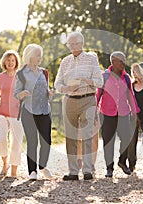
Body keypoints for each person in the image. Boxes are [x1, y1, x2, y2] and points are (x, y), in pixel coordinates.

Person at [54, 32, 103, 181]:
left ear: (81, 44)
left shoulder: (91, 59)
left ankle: (87, 170)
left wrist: (85, 80)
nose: (72, 46)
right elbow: (57, 83)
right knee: (71, 137)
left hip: (87, 99)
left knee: (87, 135)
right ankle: (73, 171)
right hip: (69, 100)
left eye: (75, 44)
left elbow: (100, 82)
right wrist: (65, 89)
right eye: (69, 44)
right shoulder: (65, 61)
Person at [96, 51, 140, 178]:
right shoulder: (104, 76)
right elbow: (98, 95)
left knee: (126, 138)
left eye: (124, 60)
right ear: (113, 62)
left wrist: (135, 113)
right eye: (120, 60)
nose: (123, 63)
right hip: (107, 113)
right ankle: (109, 168)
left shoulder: (126, 78)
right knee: (108, 141)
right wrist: (94, 112)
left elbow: (130, 96)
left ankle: (122, 161)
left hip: (123, 113)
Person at [14, 44, 53, 180]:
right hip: (29, 111)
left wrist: (50, 92)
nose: (39, 58)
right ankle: (32, 171)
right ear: (30, 56)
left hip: (44, 110)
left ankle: (42, 166)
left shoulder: (44, 72)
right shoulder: (22, 74)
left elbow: (45, 91)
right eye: (37, 55)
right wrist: (22, 94)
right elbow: (16, 93)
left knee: (46, 141)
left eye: (40, 55)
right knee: (32, 141)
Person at [0, 50, 24, 178]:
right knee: (1, 139)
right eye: (8, 60)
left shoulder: (21, 77)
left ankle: (14, 170)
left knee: (16, 142)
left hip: (17, 114)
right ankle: (5, 163)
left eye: (13, 60)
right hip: (2, 112)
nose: (10, 62)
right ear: (4, 61)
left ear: (16, 62)